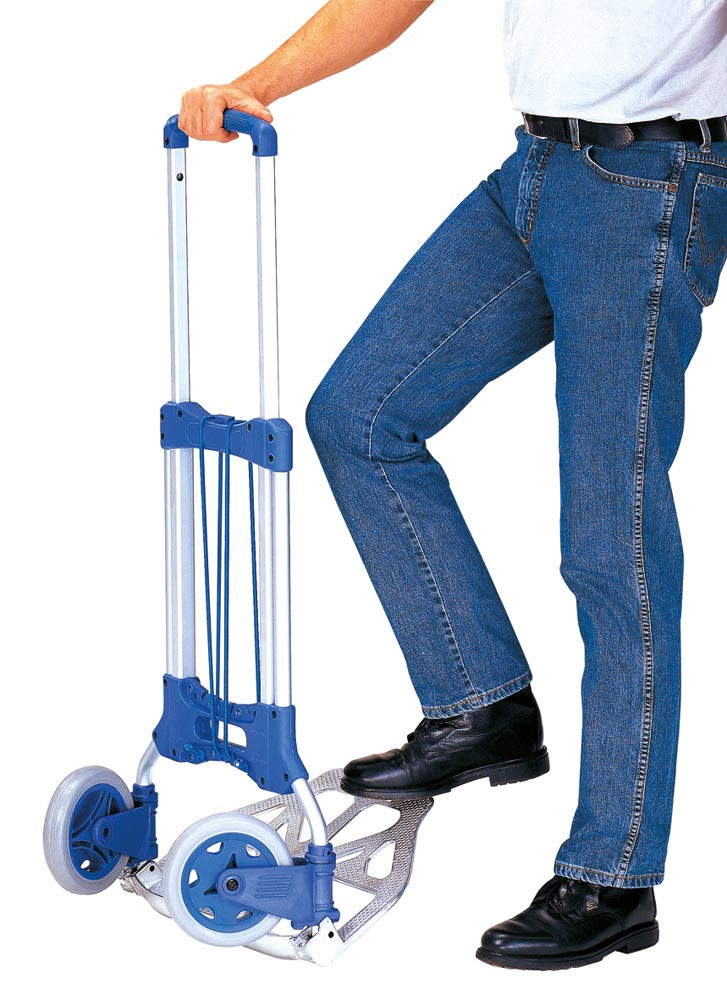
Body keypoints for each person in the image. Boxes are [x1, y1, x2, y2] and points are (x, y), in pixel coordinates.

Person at [179, 0, 727, 971]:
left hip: (650, 183)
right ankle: (482, 706)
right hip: (535, 172)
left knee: (612, 540)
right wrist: (256, 86)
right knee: (360, 416)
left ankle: (612, 876)